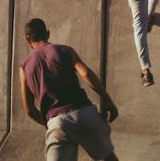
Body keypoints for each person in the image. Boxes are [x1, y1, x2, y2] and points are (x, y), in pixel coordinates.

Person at [19, 18, 119, 161]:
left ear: (27, 38)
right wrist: (107, 99)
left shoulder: (24, 67)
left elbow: (29, 109)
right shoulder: (65, 50)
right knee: (108, 158)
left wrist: (49, 124)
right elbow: (86, 73)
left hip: (57, 122)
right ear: (47, 34)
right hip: (84, 113)